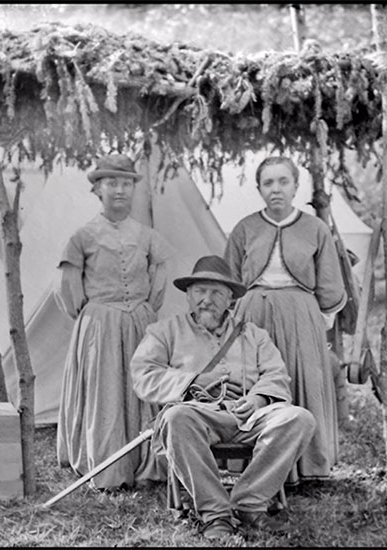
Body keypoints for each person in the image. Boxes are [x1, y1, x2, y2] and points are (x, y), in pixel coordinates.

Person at [130, 255, 316, 540]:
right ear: (188, 296)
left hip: (250, 415)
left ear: (230, 298)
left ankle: (249, 505)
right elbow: (144, 374)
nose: (207, 299)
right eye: (200, 292)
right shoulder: (164, 332)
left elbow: (276, 374)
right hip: (198, 414)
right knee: (176, 417)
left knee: (299, 418)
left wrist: (257, 399)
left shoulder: (253, 334)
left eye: (216, 292)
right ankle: (215, 514)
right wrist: (193, 380)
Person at [223, 156, 347, 484]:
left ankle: (306, 466)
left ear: (295, 186)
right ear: (259, 189)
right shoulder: (245, 228)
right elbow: (230, 279)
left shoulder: (315, 229)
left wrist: (319, 321)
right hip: (254, 314)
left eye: (283, 182)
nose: (276, 189)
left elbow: (330, 284)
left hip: (300, 314)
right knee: (256, 381)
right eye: (268, 183)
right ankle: (253, 464)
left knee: (301, 378)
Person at [55, 153, 171, 490]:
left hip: (139, 322)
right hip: (101, 324)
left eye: (125, 183)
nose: (119, 190)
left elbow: (159, 276)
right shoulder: (83, 236)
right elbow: (68, 287)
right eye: (111, 183)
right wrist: (94, 315)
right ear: (97, 190)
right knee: (106, 389)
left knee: (142, 387)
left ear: (133, 189)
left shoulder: (147, 235)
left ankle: (146, 463)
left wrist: (143, 310)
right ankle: (109, 467)